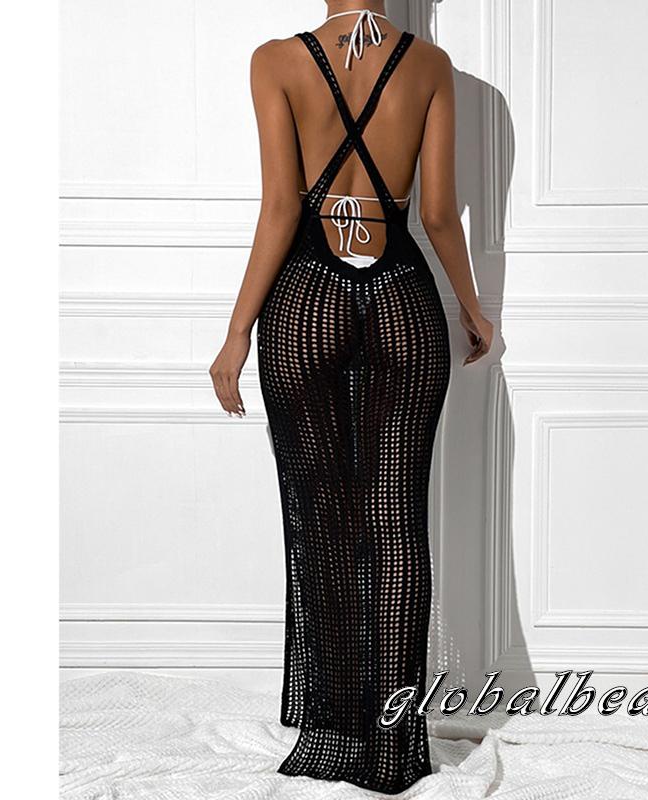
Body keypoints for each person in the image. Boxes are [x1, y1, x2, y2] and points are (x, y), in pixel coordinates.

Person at [209, 1, 493, 793]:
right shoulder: (429, 66)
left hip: (306, 299)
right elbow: (436, 214)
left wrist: (237, 332)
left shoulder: (277, 60)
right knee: (396, 520)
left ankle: (337, 727)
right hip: (403, 299)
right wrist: (472, 308)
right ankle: (393, 743)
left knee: (322, 517)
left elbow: (281, 206)